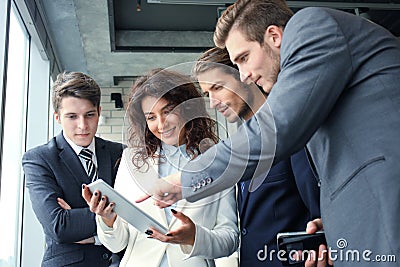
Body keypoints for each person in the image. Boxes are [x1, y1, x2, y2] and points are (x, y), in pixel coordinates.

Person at [139, 0, 400, 266]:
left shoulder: (311, 26)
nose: (245, 76)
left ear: (274, 36)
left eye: (244, 58)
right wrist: (331, 224)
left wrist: (184, 179)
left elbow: (278, 130)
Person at [82, 68, 239, 267]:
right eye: (151, 117)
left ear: (187, 107)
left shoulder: (217, 162)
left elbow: (230, 239)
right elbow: (116, 244)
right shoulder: (132, 160)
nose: (161, 124)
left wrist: (194, 237)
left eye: (168, 111)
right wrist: (106, 218)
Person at [193, 46, 320, 266]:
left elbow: (318, 214)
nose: (213, 102)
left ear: (244, 76)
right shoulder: (241, 144)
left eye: (218, 88)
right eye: (208, 94)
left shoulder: (288, 133)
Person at [22, 71, 125, 266]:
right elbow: (59, 226)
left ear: (99, 112)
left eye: (89, 115)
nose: (82, 125)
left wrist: (91, 232)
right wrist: (113, 212)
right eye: (72, 116)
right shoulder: (39, 159)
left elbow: (135, 215)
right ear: (58, 117)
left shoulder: (119, 153)